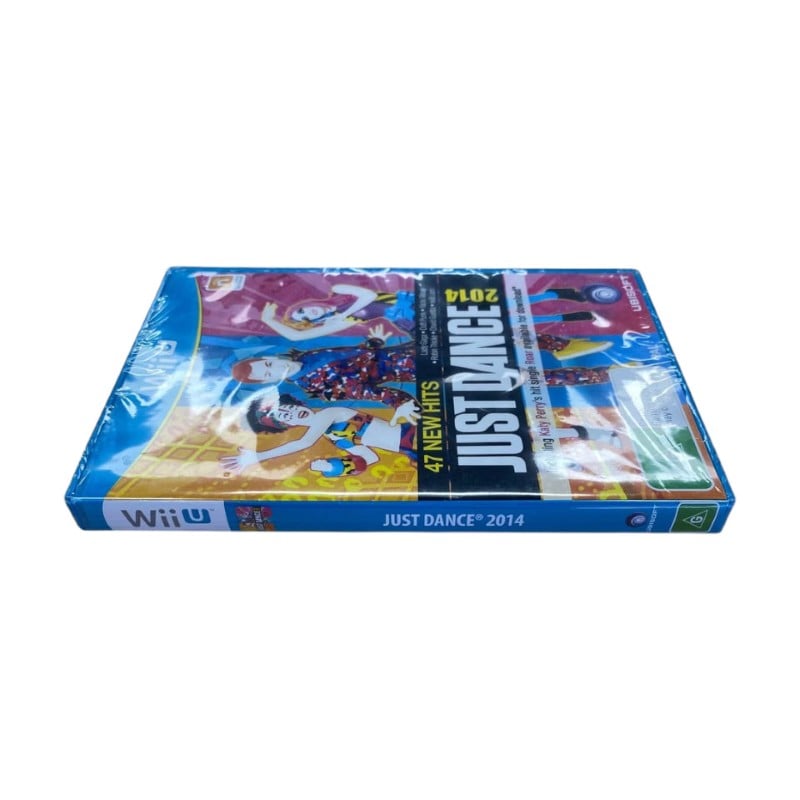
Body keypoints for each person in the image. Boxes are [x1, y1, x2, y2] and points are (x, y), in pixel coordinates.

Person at [220, 390, 419, 474]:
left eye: (289, 407)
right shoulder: (333, 437)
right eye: (285, 416)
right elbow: (368, 458)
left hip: (416, 436)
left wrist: (259, 456)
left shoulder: (329, 413)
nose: (292, 412)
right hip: (412, 452)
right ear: (288, 426)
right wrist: (332, 467)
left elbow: (303, 443)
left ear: (299, 403)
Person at [259, 284, 415, 341]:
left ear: (304, 304)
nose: (308, 313)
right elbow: (297, 336)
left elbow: (370, 296)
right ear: (311, 321)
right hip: (407, 321)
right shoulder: (337, 320)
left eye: (301, 310)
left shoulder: (337, 290)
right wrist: (268, 320)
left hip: (411, 302)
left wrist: (344, 314)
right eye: (305, 318)